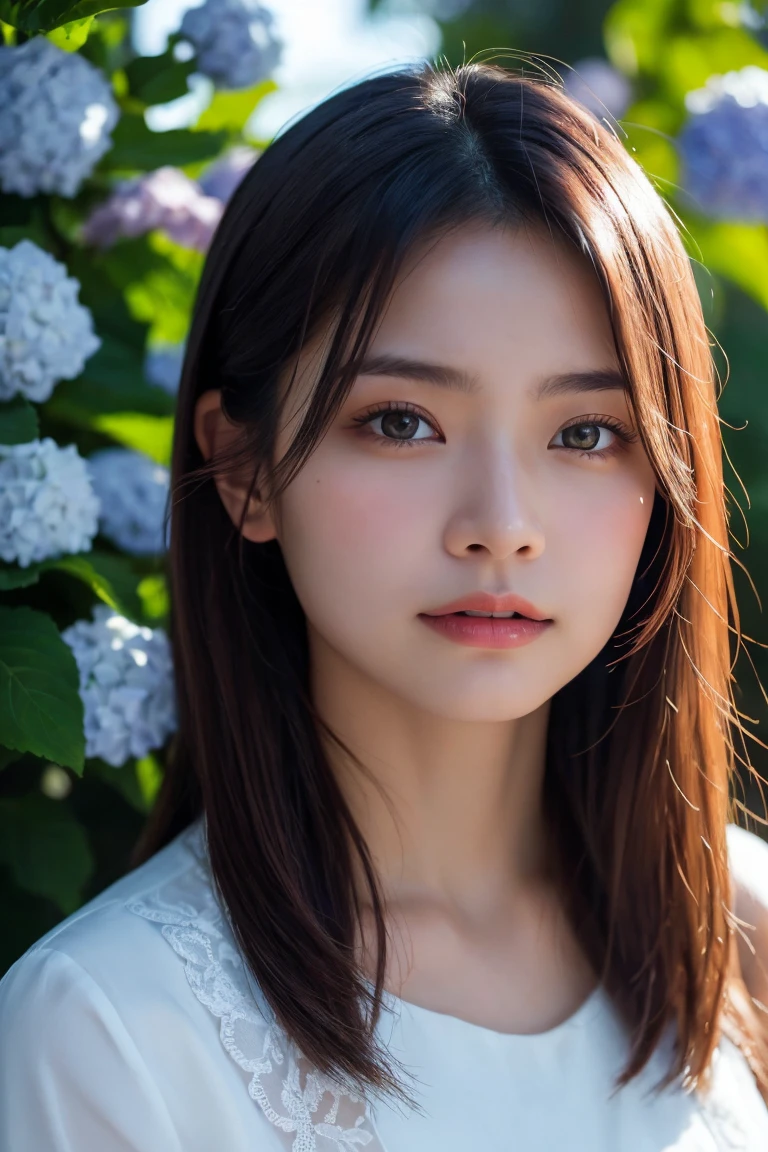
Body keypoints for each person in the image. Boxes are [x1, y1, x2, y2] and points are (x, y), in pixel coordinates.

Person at [1, 58, 768, 1151]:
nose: (502, 523)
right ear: (244, 469)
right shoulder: (110, 1032)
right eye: (402, 421)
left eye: (585, 434)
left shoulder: (733, 929)